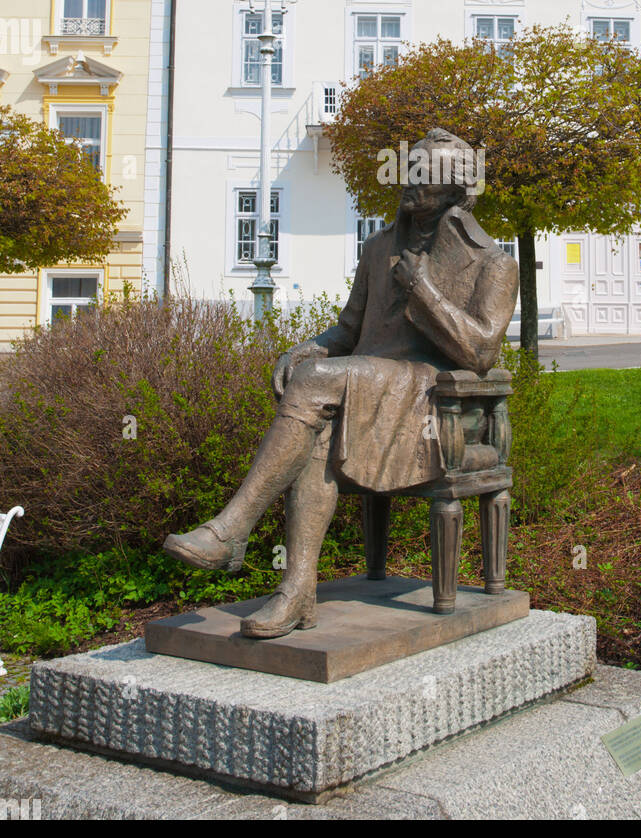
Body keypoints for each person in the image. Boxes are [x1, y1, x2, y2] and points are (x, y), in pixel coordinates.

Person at [163, 128, 519, 638]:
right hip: (366, 388)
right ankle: (297, 591)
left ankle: (232, 530)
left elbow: (481, 352)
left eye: (427, 171)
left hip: (429, 395)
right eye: (409, 166)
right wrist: (310, 348)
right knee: (316, 438)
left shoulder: (493, 263)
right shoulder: (378, 249)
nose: (410, 179)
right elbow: (349, 329)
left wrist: (421, 289)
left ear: (460, 189)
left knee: (316, 389)